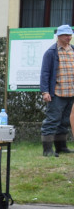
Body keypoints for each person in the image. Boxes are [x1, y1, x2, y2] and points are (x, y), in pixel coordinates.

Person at [39, 24, 73, 157]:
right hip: (57, 93)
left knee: (65, 122)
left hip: (71, 93)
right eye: (66, 35)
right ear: (59, 36)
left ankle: (61, 147)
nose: (68, 37)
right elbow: (45, 73)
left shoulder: (73, 50)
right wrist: (45, 91)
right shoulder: (51, 52)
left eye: (70, 35)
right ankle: (47, 150)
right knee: (52, 121)